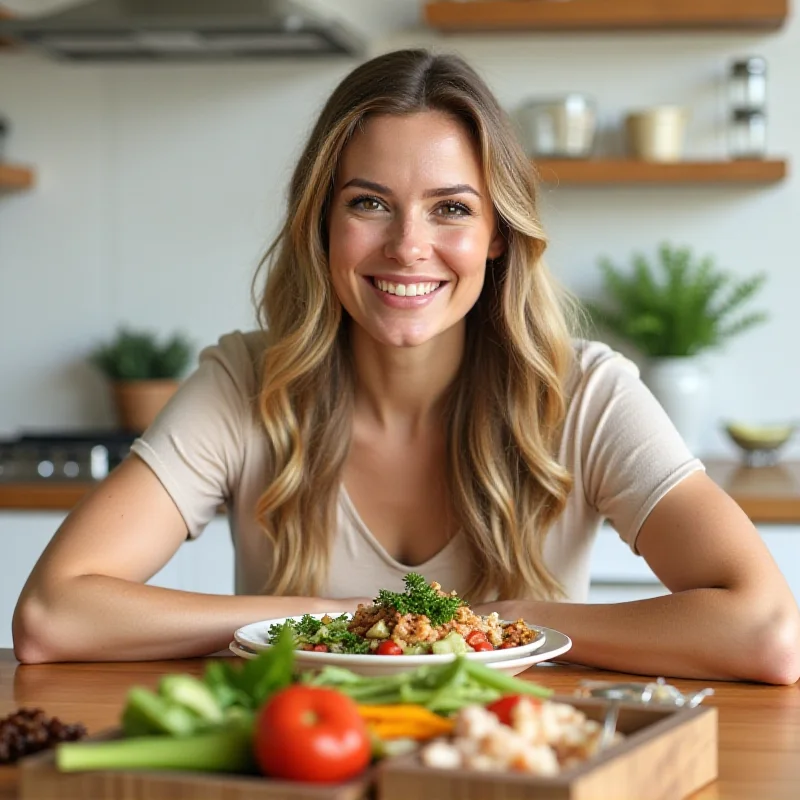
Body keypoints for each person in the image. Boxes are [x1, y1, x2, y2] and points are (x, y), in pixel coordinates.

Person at [13, 49, 800, 683]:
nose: (407, 247)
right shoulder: (246, 383)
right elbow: (54, 616)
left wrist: (481, 629)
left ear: (498, 234)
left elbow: (766, 630)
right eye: (369, 202)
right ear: (323, 221)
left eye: (451, 208)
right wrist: (335, 621)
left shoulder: (584, 393)